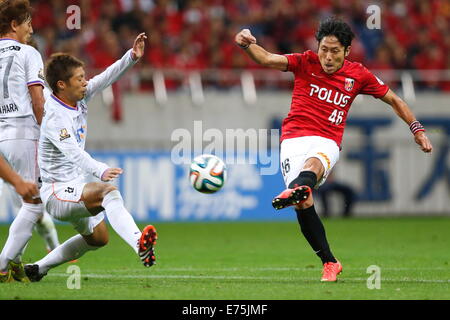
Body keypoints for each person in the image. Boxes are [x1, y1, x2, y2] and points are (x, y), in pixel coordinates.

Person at [235, 18, 433, 282]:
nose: (327, 57)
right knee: (303, 202)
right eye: (324, 49)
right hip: (293, 138)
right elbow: (268, 59)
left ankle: (299, 187)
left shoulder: (358, 74)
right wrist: (247, 45)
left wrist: (417, 129)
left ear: (347, 51)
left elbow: (394, 99)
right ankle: (329, 261)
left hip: (327, 140)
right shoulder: (305, 61)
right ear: (317, 47)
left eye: (335, 51)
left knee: (313, 166)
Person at [23, 32, 157, 282]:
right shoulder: (54, 117)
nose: (85, 82)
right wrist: (100, 170)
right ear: (62, 85)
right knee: (108, 191)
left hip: (76, 188)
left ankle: (38, 268)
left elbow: (105, 78)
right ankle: (140, 243)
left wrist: (132, 57)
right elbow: (72, 152)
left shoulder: (79, 97)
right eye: (79, 79)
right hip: (57, 192)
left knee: (98, 239)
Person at [0, 0, 60, 283]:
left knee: (27, 203)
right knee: (35, 204)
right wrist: (50, 134)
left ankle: (14, 264)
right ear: (14, 24)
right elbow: (38, 100)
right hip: (24, 133)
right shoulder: (28, 53)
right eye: (27, 23)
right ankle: (3, 264)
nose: (31, 29)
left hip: (2, 138)